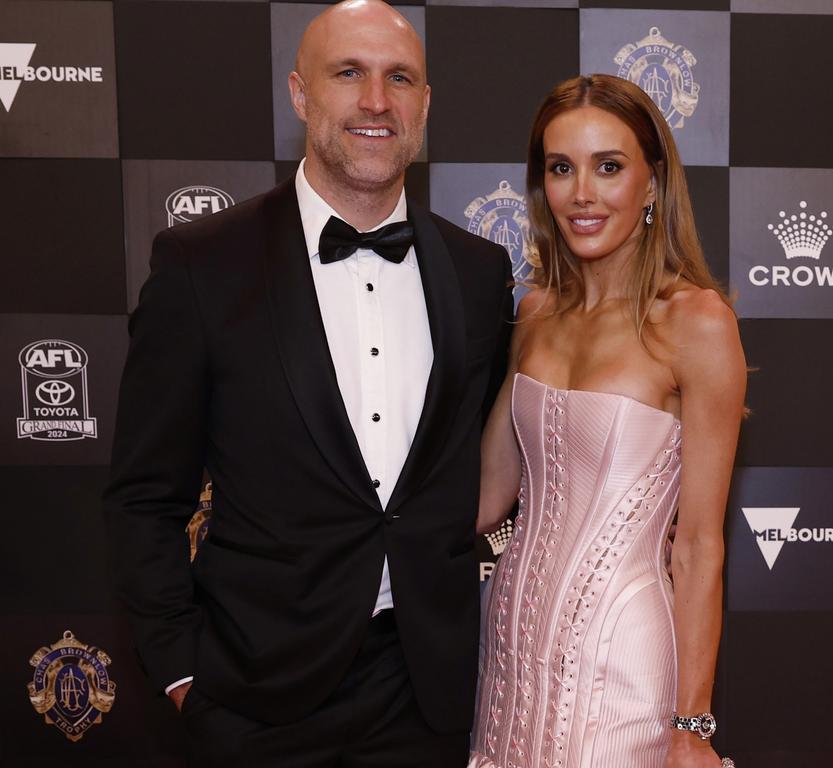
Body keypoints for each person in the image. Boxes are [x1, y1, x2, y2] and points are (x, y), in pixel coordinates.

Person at [103, 1, 512, 765]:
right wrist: (182, 673)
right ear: (300, 94)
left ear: (425, 105)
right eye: (348, 73)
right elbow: (144, 496)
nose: (376, 101)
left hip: (423, 697)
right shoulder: (202, 266)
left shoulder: (479, 274)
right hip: (255, 699)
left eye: (400, 79)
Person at [471, 74, 745, 768]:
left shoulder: (698, 324)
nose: (582, 193)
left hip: (624, 660)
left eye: (609, 167)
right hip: (509, 650)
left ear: (653, 183)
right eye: (561, 168)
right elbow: (486, 497)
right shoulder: (534, 313)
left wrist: (691, 726)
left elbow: (700, 545)